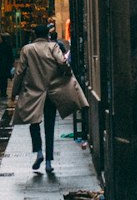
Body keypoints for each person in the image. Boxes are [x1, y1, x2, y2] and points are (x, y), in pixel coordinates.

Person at [11, 22, 88, 173]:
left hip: (33, 93)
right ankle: (48, 162)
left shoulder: (27, 49)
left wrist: (14, 92)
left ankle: (39, 151)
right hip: (51, 92)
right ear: (47, 35)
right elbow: (62, 62)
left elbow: (19, 72)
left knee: (34, 123)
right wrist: (66, 72)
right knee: (49, 126)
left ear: (34, 35)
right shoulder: (53, 47)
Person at [0, 32, 14, 100]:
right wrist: (11, 64)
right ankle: (3, 92)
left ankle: (2, 92)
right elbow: (11, 57)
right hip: (6, 65)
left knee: (1, 78)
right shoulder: (8, 46)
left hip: (0, 65)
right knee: (4, 79)